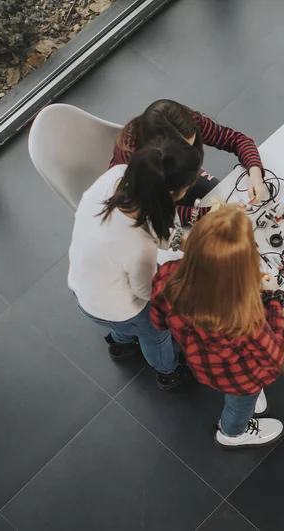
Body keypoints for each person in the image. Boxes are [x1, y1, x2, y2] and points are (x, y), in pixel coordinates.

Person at [68, 135, 202, 390]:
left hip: (86, 289)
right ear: (171, 194)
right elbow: (146, 292)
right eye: (186, 188)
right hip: (121, 305)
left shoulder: (117, 177)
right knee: (156, 333)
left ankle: (121, 343)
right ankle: (168, 372)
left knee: (122, 326)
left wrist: (182, 241)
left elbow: (152, 228)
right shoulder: (137, 246)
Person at [150, 205, 284, 448]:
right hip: (241, 379)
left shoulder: (167, 275)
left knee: (241, 398)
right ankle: (232, 433)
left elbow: (158, 321)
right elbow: (273, 357)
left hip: (203, 365)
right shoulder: (246, 315)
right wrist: (275, 300)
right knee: (240, 405)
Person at [111, 99, 267, 225]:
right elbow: (152, 211)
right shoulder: (133, 160)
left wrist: (255, 172)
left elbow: (236, 140)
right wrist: (205, 214)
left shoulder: (185, 122)